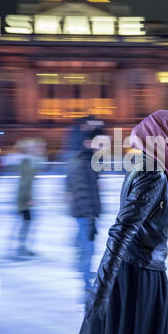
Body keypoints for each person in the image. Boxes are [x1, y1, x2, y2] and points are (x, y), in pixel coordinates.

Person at [61, 110, 168, 334]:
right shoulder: (152, 173)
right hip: (141, 276)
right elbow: (122, 230)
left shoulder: (150, 168)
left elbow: (148, 219)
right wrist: (101, 288)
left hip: (139, 268)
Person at [66, 117, 102, 297]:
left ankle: (85, 272)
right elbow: (81, 191)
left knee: (86, 244)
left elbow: (92, 189)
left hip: (87, 212)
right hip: (84, 212)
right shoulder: (82, 163)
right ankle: (87, 287)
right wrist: (90, 215)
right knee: (88, 247)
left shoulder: (89, 161)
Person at [15, 138, 46, 258]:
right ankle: (21, 249)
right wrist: (28, 198)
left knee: (25, 223)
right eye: (39, 148)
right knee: (25, 224)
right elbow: (25, 183)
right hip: (23, 199)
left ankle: (22, 248)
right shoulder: (28, 162)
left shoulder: (30, 162)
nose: (42, 150)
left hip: (24, 197)